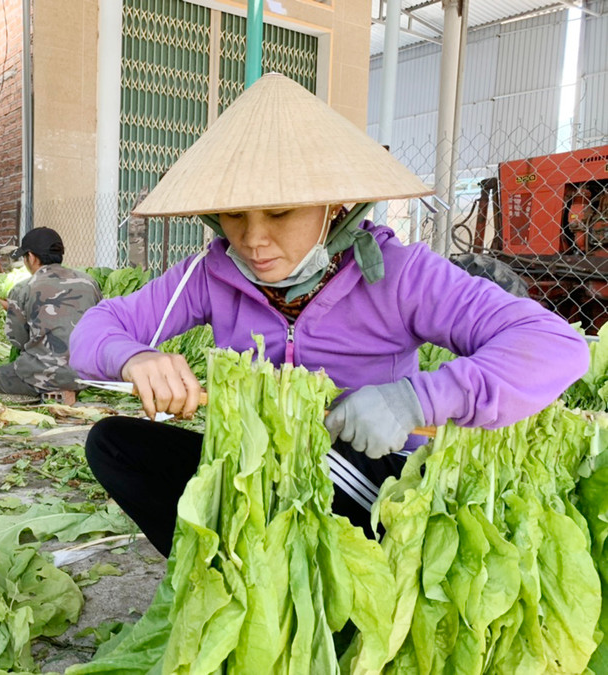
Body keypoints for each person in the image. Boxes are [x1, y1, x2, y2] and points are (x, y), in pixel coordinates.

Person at [69, 73, 590, 558]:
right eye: (234, 215)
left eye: (280, 212)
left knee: (314, 465)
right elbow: (95, 330)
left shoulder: (401, 275)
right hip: (262, 464)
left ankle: (335, 579)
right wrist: (135, 357)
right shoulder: (207, 275)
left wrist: (414, 400)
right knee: (114, 445)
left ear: (334, 206)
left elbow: (554, 345)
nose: (253, 239)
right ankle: (222, 569)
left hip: (373, 478)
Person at [0, 227, 102, 401]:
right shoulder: (89, 282)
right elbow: (100, 324)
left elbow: (18, 340)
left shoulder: (23, 288)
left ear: (31, 257)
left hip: (41, 375)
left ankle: (47, 392)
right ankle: (70, 390)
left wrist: (13, 310)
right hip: (87, 375)